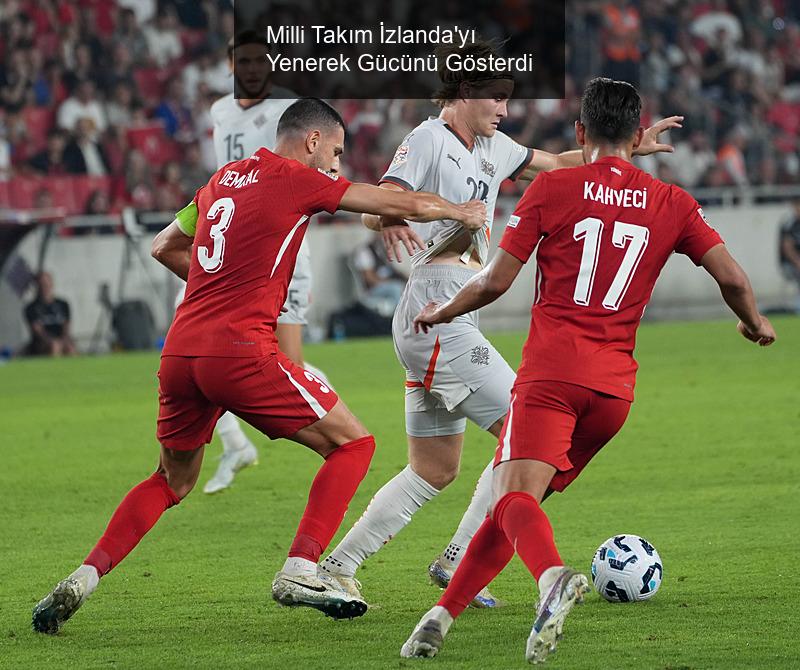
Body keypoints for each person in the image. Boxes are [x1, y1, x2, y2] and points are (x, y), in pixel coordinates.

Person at [31, 97, 487, 635]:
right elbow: (386, 200)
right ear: (312, 141)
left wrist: (215, 290)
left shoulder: (223, 179)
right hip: (239, 351)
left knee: (170, 481)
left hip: (181, 350)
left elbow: (163, 245)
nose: (337, 165)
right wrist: (461, 212)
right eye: (336, 152)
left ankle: (83, 577)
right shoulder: (295, 177)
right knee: (354, 444)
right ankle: (300, 568)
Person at [400, 77, 776, 663]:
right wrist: (754, 323)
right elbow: (731, 277)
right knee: (517, 505)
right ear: (635, 134)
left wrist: (442, 309)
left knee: (512, 499)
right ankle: (439, 617)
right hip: (614, 394)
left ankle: (552, 579)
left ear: (580, 132)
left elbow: (496, 281)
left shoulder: (553, 188)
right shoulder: (672, 202)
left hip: (552, 378)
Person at [320, 40, 680, 608]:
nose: (505, 109)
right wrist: (398, 215)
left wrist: (633, 150)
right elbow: (376, 204)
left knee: (434, 468)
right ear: (465, 91)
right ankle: (462, 559)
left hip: (448, 312)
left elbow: (560, 163)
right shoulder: (428, 139)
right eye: (497, 97)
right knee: (523, 434)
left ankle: (338, 566)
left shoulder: (492, 145)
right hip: (436, 307)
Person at [196, 31, 319, 494]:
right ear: (230, 64)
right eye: (242, 60)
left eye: (259, 60)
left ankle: (339, 428)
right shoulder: (219, 110)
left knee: (286, 361)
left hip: (278, 243)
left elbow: (315, 169)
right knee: (197, 343)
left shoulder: (290, 111)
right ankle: (234, 444)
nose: (251, 68)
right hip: (229, 240)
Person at [24, 272, 77, 356]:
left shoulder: (63, 304)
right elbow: (38, 331)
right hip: (42, 342)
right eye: (41, 284)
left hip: (61, 338)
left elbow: (66, 326)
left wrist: (63, 340)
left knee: (70, 348)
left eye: (46, 283)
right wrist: (52, 341)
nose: (45, 287)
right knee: (54, 346)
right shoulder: (31, 308)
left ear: (51, 284)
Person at [779, 199, 800, 313]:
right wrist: (798, 263)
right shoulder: (789, 224)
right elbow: (788, 248)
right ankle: (798, 308)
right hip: (789, 264)